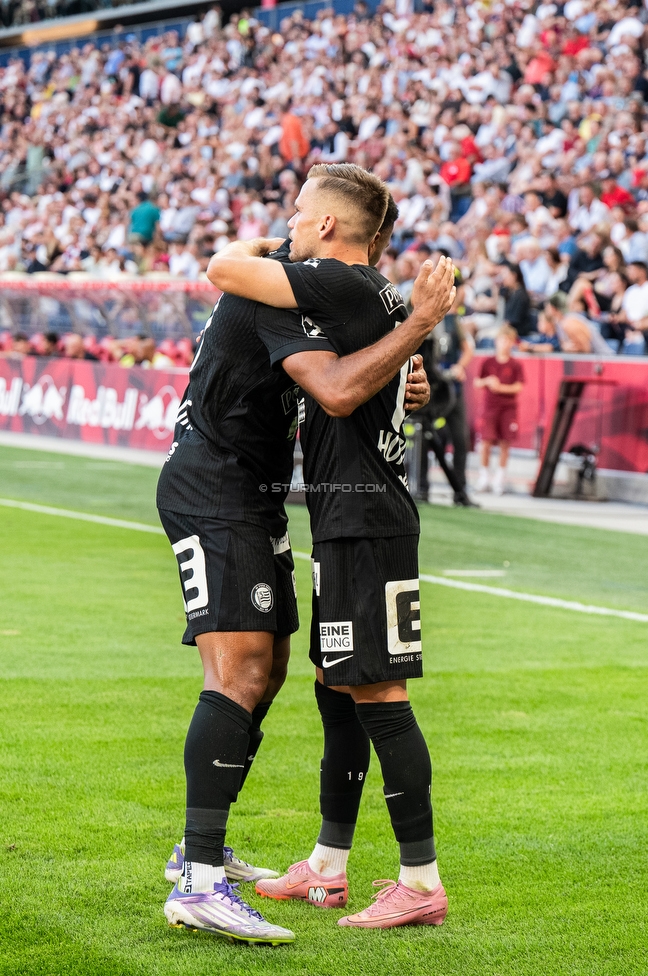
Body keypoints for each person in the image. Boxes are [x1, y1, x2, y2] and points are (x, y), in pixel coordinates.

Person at [159, 173, 455, 942]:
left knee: (311, 676)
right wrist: (412, 338)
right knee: (252, 671)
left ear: (325, 226)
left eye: (295, 215)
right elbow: (333, 385)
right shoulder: (312, 291)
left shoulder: (322, 287)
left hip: (293, 504)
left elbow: (342, 387)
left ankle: (287, 858)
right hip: (218, 487)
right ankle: (197, 872)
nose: (284, 226)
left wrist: (405, 364)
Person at [474, 325, 524, 496]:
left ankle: (499, 478)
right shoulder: (488, 362)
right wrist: (488, 381)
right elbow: (477, 382)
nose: (504, 344)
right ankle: (484, 476)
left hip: (508, 408)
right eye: (502, 340)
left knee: (505, 443)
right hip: (490, 408)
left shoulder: (515, 365)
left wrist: (500, 387)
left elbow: (518, 386)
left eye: (508, 341)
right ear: (496, 342)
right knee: (486, 442)